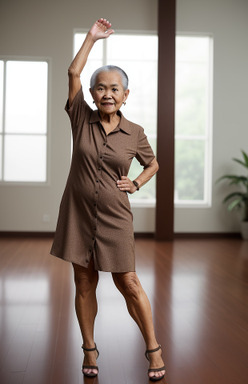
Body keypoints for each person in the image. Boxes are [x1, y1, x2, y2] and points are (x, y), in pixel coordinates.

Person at [50, 18, 165, 382]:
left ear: (126, 95)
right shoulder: (80, 117)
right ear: (94, 94)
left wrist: (137, 182)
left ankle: (153, 348)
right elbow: (73, 72)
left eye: (115, 89)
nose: (107, 94)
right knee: (84, 282)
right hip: (78, 214)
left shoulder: (135, 133)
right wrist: (91, 38)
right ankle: (89, 348)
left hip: (116, 218)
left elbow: (154, 163)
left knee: (129, 282)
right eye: (100, 88)